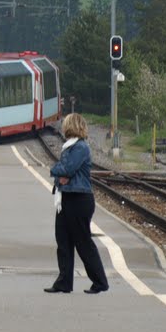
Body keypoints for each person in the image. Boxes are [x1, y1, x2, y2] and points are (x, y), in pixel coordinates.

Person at [45, 113, 109, 294]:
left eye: (65, 124)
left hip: (79, 199)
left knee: (83, 242)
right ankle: (64, 282)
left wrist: (55, 170)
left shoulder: (80, 147)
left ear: (71, 126)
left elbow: (66, 169)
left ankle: (100, 282)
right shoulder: (69, 147)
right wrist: (60, 174)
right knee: (63, 241)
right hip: (66, 198)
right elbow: (63, 173)